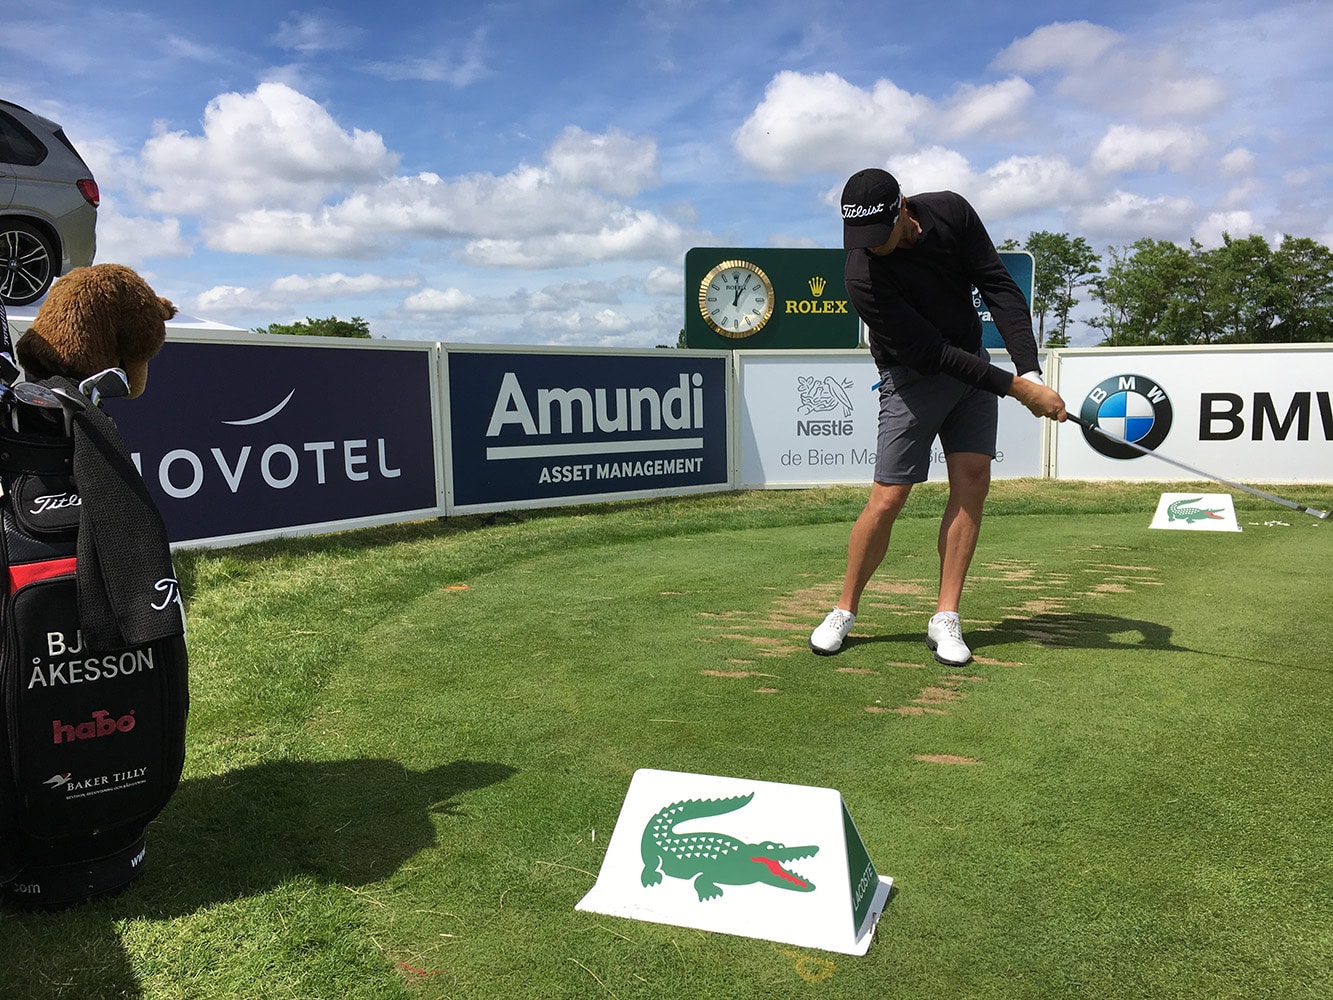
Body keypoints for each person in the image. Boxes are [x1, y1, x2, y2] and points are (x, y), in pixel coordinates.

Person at [809, 168, 1068, 666]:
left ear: (903, 207)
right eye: (860, 236)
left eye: (878, 233)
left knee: (972, 483)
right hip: (911, 376)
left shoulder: (951, 212)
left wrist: (1030, 372)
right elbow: (930, 353)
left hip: (973, 366)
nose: (871, 245)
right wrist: (1017, 390)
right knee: (888, 497)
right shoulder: (862, 275)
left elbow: (997, 285)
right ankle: (844, 608)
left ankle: (946, 616)